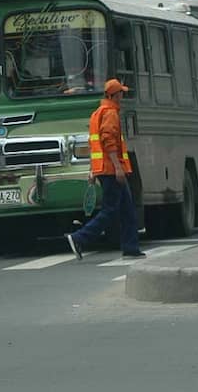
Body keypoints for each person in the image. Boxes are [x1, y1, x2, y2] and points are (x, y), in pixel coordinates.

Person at [65, 79, 145, 260]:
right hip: (111, 170)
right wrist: (118, 168)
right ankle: (79, 238)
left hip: (104, 169)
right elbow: (108, 142)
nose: (123, 96)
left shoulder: (97, 113)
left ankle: (131, 248)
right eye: (121, 93)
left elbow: (93, 144)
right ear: (115, 95)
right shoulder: (110, 113)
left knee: (127, 210)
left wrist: (93, 170)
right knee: (111, 210)